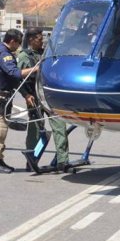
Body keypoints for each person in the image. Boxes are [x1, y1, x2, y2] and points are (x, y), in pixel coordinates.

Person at [17, 27, 70, 172]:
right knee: (36, 131)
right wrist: (26, 95)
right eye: (40, 39)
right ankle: (32, 159)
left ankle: (62, 160)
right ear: (31, 40)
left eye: (43, 39)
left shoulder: (46, 55)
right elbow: (17, 79)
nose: (42, 42)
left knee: (59, 127)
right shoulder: (24, 57)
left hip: (49, 97)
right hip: (34, 98)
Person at [0, 29, 38, 174]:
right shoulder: (4, 54)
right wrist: (35, 69)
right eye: (19, 43)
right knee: (0, 130)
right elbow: (14, 73)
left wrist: (26, 94)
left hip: (0, 96)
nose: (19, 46)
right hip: (0, 97)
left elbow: (11, 79)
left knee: (0, 129)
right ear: (12, 41)